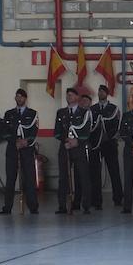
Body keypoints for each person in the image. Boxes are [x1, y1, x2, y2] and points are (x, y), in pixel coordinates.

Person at [0, 88, 39, 215]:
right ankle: (7, 207)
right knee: (10, 178)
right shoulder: (9, 114)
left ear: (25, 98)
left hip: (27, 149)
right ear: (15, 98)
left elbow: (34, 131)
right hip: (12, 149)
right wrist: (15, 140)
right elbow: (4, 132)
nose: (19, 98)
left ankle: (33, 206)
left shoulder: (32, 114)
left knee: (29, 178)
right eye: (17, 96)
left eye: (21, 96)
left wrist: (25, 141)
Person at [53, 87, 92, 215]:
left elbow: (87, 132)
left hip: (79, 149)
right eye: (68, 95)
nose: (69, 96)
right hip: (65, 148)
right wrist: (66, 140)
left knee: (83, 177)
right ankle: (62, 205)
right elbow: (57, 132)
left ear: (77, 97)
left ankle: (86, 205)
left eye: (72, 95)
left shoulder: (85, 113)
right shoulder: (61, 112)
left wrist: (77, 141)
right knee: (63, 178)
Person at [88, 84, 123, 210]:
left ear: (107, 94)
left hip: (109, 143)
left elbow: (116, 125)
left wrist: (108, 135)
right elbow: (89, 126)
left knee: (114, 171)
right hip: (95, 144)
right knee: (94, 173)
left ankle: (118, 198)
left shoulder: (113, 109)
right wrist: (92, 140)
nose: (101, 93)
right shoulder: (92, 109)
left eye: (103, 91)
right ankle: (96, 200)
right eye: (99, 91)